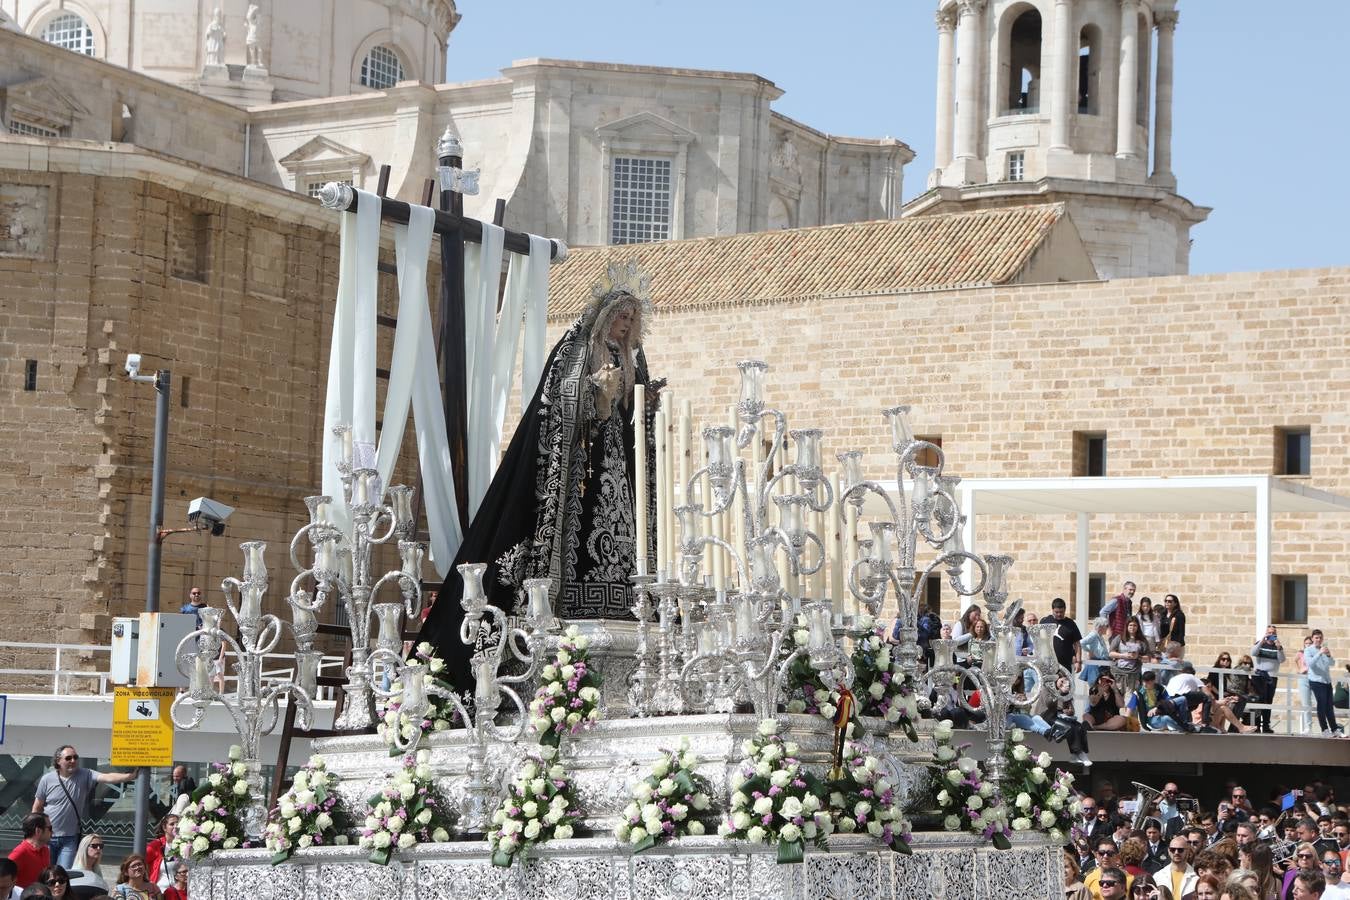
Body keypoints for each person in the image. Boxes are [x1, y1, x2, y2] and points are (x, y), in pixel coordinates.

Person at [420, 268, 660, 691]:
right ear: (605, 315)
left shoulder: (632, 357)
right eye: (619, 316)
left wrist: (646, 401)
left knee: (624, 528)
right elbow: (558, 401)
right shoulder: (578, 346)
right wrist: (592, 394)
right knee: (581, 528)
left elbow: (635, 413)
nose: (624, 324)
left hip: (617, 465)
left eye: (630, 318)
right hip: (580, 468)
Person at [32, 746, 136, 869]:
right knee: (45, 872)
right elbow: (37, 808)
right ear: (58, 761)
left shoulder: (85, 774)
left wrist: (130, 776)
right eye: (68, 758)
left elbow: (107, 777)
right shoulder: (47, 779)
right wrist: (34, 833)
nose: (73, 760)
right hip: (47, 837)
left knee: (64, 873)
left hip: (70, 838)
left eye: (75, 757)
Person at [1305, 630, 1343, 737]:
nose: (1319, 640)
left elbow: (1332, 663)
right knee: (1321, 706)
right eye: (1316, 638)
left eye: (1320, 638)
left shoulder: (1324, 649)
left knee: (1329, 706)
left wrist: (1329, 655)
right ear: (1312, 638)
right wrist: (1320, 653)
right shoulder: (1308, 650)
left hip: (1327, 681)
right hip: (1316, 681)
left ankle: (1335, 729)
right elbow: (1310, 664)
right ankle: (1324, 730)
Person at [1251, 626, 1286, 734]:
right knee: (1259, 700)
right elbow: (1253, 652)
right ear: (1266, 633)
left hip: (1271, 677)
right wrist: (1262, 640)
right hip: (1259, 676)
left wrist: (1279, 647)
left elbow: (1282, 659)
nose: (1271, 635)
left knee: (1268, 701)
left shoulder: (1277, 646)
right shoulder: (1260, 643)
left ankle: (1266, 725)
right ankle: (1256, 725)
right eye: (1269, 632)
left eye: (1273, 633)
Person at [7, 814, 51, 888]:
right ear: (38, 831)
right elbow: (3, 877)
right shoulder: (20, 852)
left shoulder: (45, 850)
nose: (52, 831)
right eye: (49, 828)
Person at [1110, 616, 1147, 695]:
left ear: (1138, 627)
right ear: (1126, 626)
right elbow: (1111, 653)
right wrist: (1124, 655)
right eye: (1130, 625)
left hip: (1133, 674)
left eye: (1134, 625)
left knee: (1131, 698)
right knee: (1118, 697)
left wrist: (1138, 656)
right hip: (1118, 673)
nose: (1132, 627)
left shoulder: (1142, 640)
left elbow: (1148, 658)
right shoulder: (1119, 638)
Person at [1158, 835, 1199, 900]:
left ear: (1188, 851)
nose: (1176, 852)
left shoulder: (1197, 878)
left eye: (1180, 850)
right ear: (1168, 851)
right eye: (1172, 849)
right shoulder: (1158, 876)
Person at [1048, 597, 1083, 672]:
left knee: (1065, 684)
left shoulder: (1070, 624)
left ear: (1065, 610)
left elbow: (1077, 644)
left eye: (1061, 612)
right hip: (1048, 664)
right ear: (1052, 610)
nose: (1059, 614)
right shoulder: (1045, 622)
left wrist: (1078, 662)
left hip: (1065, 665)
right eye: (1056, 612)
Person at [144, 814, 177, 886]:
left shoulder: (185, 845)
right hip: (160, 891)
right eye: (172, 824)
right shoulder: (156, 845)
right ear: (164, 828)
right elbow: (139, 861)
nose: (176, 826)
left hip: (180, 892)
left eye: (178, 823)